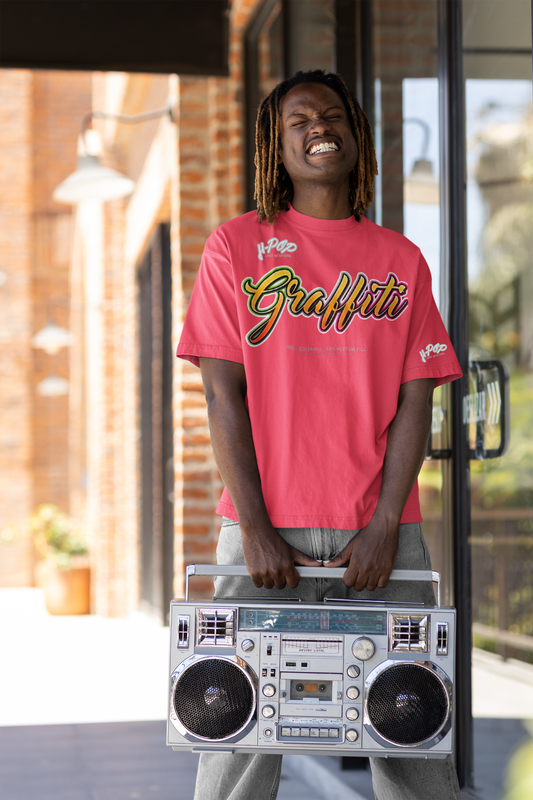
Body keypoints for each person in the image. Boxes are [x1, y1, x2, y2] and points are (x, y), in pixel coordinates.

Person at [177, 69, 462, 800]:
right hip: (262, 532)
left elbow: (414, 403)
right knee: (237, 731)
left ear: (355, 136)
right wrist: (259, 528)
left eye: (330, 114)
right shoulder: (236, 248)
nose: (316, 127)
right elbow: (221, 392)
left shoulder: (399, 260)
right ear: (276, 145)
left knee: (410, 729)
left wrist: (379, 526)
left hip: (382, 536)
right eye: (297, 120)